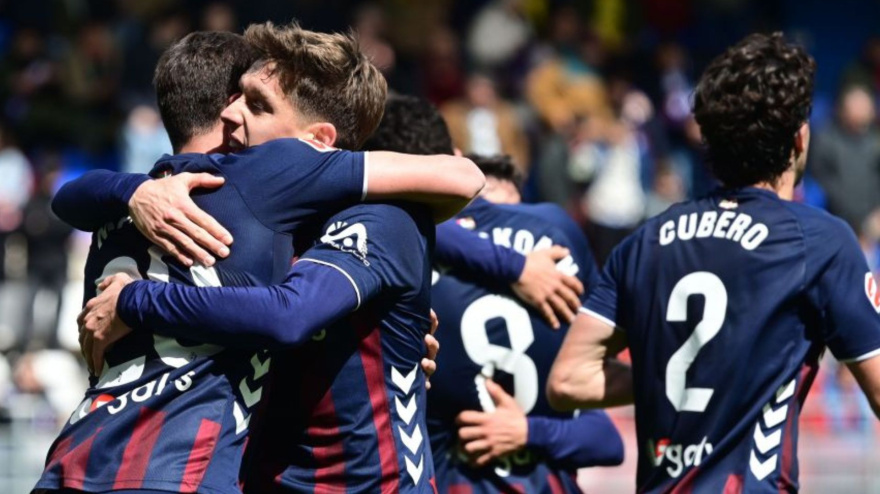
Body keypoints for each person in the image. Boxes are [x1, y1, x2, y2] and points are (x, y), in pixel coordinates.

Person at [34, 25, 481, 494]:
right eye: (235, 97)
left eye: (257, 104)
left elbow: (288, 314)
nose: (230, 114)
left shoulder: (363, 211)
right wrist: (135, 191)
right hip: (198, 470)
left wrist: (135, 299)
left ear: (317, 142)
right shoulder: (200, 193)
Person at [547, 32, 880, 493]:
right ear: (800, 139)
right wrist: (731, 377)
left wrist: (676, 374)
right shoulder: (820, 242)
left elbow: (568, 379)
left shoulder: (644, 241)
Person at [361, 95, 623, 492]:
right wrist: (515, 265)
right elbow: (605, 435)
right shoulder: (556, 229)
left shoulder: (397, 249)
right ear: (457, 159)